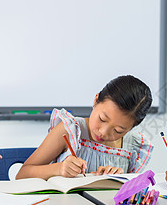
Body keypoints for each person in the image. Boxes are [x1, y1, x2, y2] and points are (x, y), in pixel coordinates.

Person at [16, 75, 153, 180]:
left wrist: (120, 179)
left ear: (131, 128)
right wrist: (59, 169)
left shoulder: (133, 147)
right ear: (95, 100)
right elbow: (22, 174)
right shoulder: (70, 131)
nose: (103, 132)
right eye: (102, 119)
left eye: (118, 130)